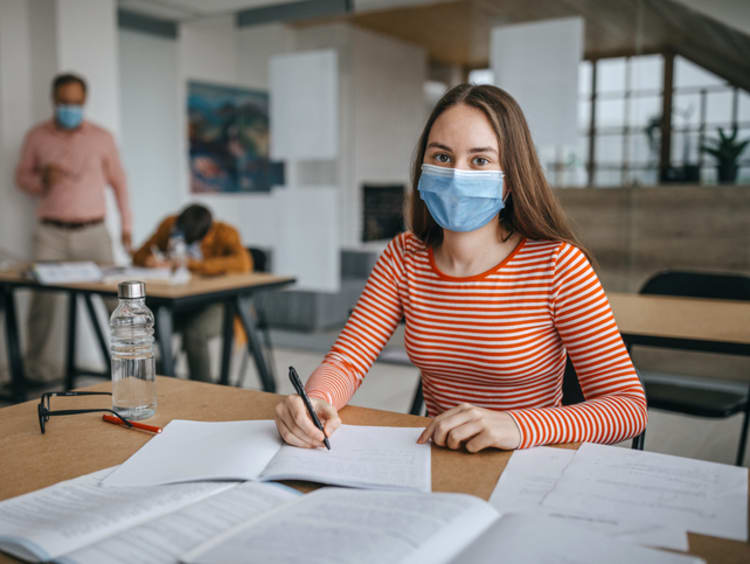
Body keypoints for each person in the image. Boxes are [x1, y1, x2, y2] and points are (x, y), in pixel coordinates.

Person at [274, 84, 647, 452]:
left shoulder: (558, 264)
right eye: (442, 157)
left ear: (511, 177)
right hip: (441, 459)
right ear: (423, 166)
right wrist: (316, 399)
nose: (456, 175)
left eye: (480, 160)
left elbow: (628, 408)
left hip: (531, 461)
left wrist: (518, 426)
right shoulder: (403, 257)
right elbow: (346, 361)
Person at [15, 72, 132, 382]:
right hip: (51, 234)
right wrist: (42, 181)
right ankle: (38, 373)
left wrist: (127, 227)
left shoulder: (102, 137)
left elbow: (120, 183)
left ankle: (132, 371)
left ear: (85, 102)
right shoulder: (36, 137)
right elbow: (21, 178)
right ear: (54, 101)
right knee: (44, 304)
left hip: (94, 232)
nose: (71, 108)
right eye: (65, 102)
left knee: (117, 301)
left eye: (77, 103)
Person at [132, 204, 252, 382]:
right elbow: (139, 255)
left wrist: (188, 263)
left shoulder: (225, 233)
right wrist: (149, 261)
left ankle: (202, 390)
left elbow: (243, 264)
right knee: (140, 324)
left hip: (218, 302)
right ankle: (151, 377)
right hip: (180, 301)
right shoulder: (169, 225)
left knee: (194, 333)